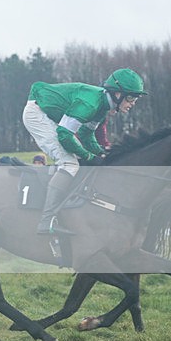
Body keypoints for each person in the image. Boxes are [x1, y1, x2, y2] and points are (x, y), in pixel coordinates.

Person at [22, 68, 147, 235]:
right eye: (131, 98)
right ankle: (46, 220)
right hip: (36, 114)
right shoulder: (90, 104)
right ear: (117, 94)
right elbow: (64, 135)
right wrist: (89, 156)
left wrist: (101, 153)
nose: (133, 103)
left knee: (76, 157)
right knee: (69, 164)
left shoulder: (102, 107)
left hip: (48, 114)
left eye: (136, 99)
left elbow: (86, 135)